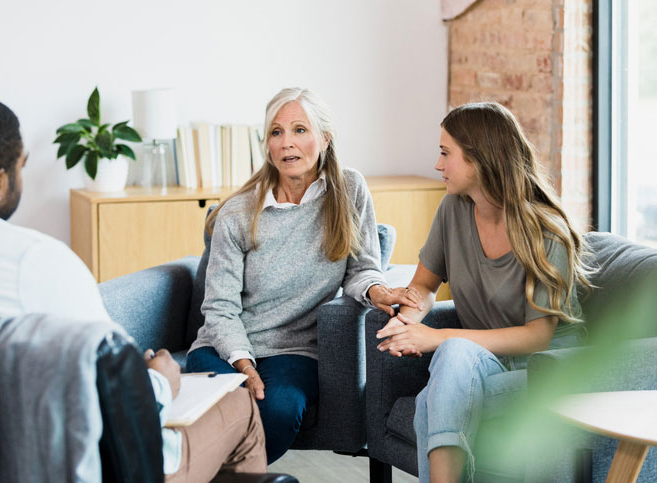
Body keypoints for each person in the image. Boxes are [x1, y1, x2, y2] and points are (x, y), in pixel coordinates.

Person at [0, 96, 266, 481]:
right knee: (240, 405)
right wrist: (160, 381)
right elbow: (117, 401)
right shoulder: (40, 261)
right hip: (76, 468)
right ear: (0, 180)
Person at [186, 87, 423, 463]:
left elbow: (361, 268)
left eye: (300, 130)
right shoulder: (237, 213)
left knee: (278, 409)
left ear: (324, 138)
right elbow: (219, 307)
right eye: (276, 132)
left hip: (295, 350)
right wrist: (243, 364)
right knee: (219, 407)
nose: (287, 143)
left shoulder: (348, 190)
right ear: (266, 144)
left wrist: (378, 292)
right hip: (223, 348)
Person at [375, 102, 592, 483]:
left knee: (434, 396)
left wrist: (436, 336)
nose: (437, 165)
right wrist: (408, 322)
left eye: (446, 153)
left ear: (480, 159)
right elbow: (424, 285)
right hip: (485, 360)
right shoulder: (452, 210)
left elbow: (538, 336)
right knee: (452, 362)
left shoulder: (546, 232)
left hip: (548, 369)